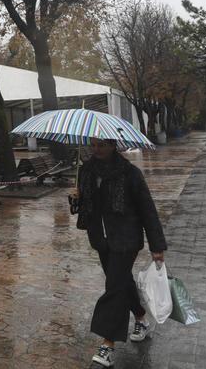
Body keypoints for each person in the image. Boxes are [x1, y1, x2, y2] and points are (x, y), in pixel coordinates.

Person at [69, 138, 167, 367]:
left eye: (102, 145)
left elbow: (147, 209)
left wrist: (157, 246)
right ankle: (141, 317)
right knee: (121, 281)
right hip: (101, 239)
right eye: (93, 144)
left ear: (113, 145)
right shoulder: (86, 171)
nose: (97, 149)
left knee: (113, 287)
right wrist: (75, 198)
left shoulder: (129, 173)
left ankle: (107, 344)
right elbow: (83, 208)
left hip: (126, 238)